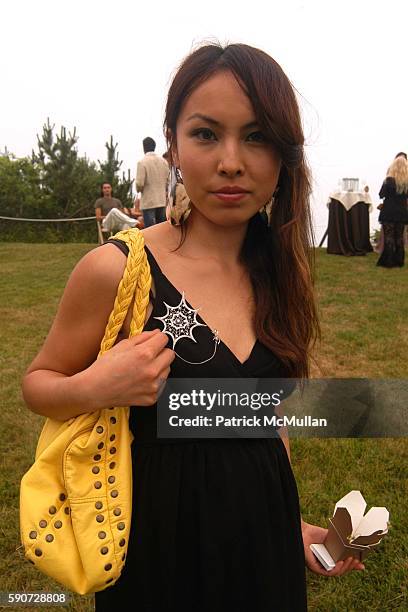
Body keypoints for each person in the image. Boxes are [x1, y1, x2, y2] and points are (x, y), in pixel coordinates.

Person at [22, 43, 365, 612]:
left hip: (263, 548)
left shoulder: (280, 271)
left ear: (284, 155)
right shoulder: (115, 269)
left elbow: (266, 419)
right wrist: (96, 386)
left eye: (256, 137)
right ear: (174, 143)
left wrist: (289, 522)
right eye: (207, 134)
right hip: (158, 545)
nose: (231, 161)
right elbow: (39, 383)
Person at [377, 153, 408, 267]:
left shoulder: (388, 180)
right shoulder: (406, 182)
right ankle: (399, 261)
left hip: (389, 211)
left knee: (389, 236)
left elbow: (381, 195)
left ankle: (388, 261)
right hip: (402, 212)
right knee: (399, 237)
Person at [136, 137, 169, 227]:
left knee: (150, 229)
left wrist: (138, 189)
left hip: (148, 201)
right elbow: (168, 181)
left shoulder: (142, 162)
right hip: (161, 200)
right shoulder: (164, 162)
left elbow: (139, 183)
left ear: (144, 147)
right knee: (161, 228)